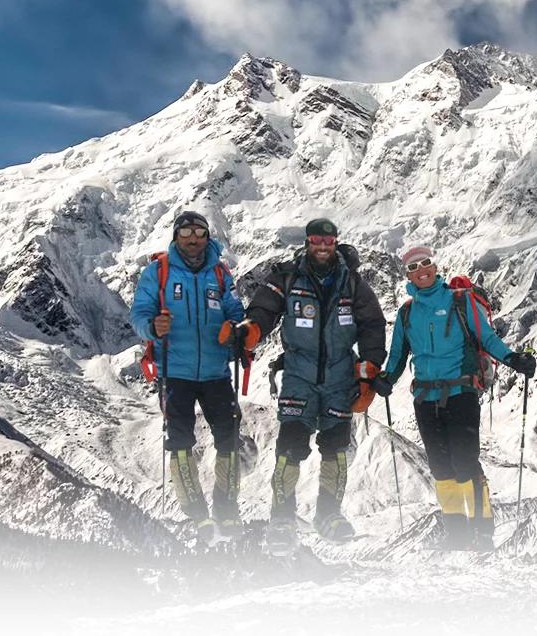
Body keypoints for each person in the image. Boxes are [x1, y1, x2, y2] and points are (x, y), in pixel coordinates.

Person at [227, 218, 386, 553]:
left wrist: (369, 367)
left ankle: (329, 516)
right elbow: (263, 311)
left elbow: (372, 323)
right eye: (316, 240)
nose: (323, 246)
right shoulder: (287, 277)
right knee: (291, 446)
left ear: (336, 242)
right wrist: (250, 331)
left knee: (336, 447)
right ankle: (281, 519)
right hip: (298, 375)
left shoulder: (353, 283)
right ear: (307, 242)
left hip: (340, 377)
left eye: (328, 241)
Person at [371, 246, 536, 550]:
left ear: (434, 267)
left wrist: (513, 359)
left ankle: (482, 532)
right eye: (413, 267)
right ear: (407, 274)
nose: (421, 270)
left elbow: (485, 337)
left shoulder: (459, 301)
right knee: (441, 467)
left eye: (426, 264)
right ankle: (457, 535)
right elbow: (398, 354)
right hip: (424, 397)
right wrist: (387, 379)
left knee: (464, 461)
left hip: (461, 393)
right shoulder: (407, 312)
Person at [130, 210, 247, 543]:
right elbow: (138, 313)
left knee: (229, 438)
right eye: (186, 233)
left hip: (216, 371)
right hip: (174, 371)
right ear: (176, 237)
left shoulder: (221, 274)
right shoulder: (158, 273)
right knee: (180, 441)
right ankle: (197, 514)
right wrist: (152, 327)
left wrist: (235, 330)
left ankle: (227, 509)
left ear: (208, 237)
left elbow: (236, 312)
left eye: (199, 232)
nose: (193, 239)